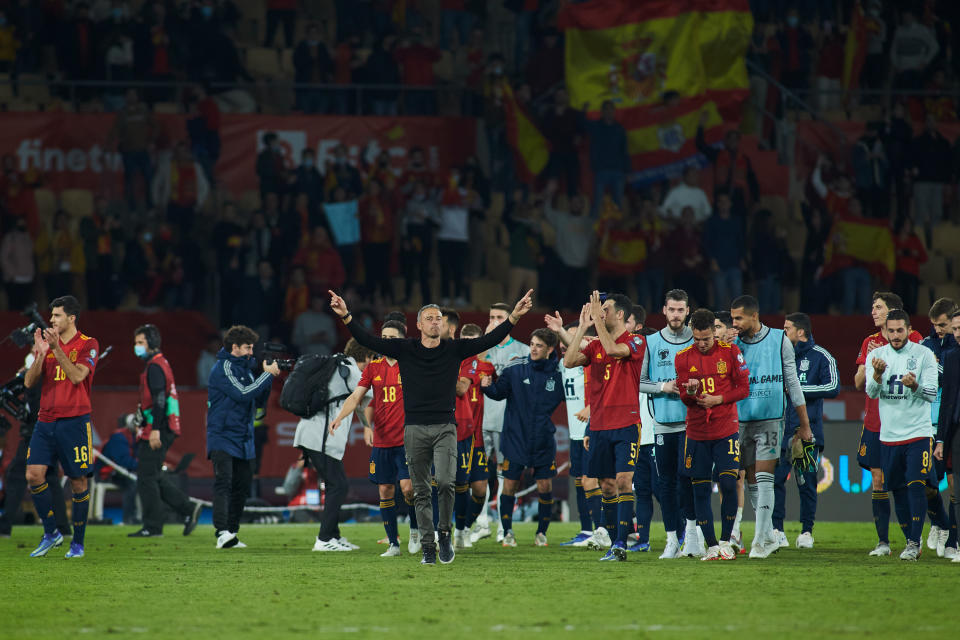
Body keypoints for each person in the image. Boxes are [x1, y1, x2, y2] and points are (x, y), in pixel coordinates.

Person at [329, 289, 534, 565]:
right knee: (421, 489)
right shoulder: (406, 349)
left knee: (447, 483)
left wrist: (515, 317)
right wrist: (346, 316)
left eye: (438, 318)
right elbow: (368, 339)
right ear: (419, 324)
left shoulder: (454, 349)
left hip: (445, 427)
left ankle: (444, 533)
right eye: (430, 318)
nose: (435, 322)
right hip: (413, 429)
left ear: (443, 325)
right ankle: (428, 546)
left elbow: (490, 338)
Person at [564, 292, 645, 561]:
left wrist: (596, 323)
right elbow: (568, 360)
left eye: (605, 310)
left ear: (619, 314)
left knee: (623, 481)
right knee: (607, 485)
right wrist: (583, 326)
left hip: (626, 423)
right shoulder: (594, 344)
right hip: (599, 426)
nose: (601, 313)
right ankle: (613, 542)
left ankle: (621, 542)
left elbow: (613, 350)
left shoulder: (635, 341)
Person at [730, 295, 811, 559]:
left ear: (754, 316)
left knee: (765, 478)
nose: (734, 324)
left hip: (770, 419)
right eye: (732, 319)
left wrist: (804, 424)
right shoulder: (732, 344)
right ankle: (766, 535)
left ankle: (759, 542)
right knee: (750, 479)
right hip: (739, 420)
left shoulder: (779, 340)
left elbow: (792, 383)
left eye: (738, 318)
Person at [24, 295, 99, 558]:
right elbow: (29, 383)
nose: (52, 320)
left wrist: (55, 350)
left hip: (75, 421)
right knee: (33, 475)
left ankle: (77, 543)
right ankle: (51, 533)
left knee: (78, 482)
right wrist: (40, 355)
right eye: (52, 315)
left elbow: (78, 376)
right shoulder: (47, 344)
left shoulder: (88, 344)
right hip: (45, 420)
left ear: (71, 318)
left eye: (57, 316)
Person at [330, 322, 414, 556]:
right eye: (384, 336)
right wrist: (339, 417)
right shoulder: (373, 368)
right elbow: (357, 397)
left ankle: (416, 529)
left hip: (408, 439)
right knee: (385, 490)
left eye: (392, 337)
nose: (386, 341)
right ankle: (393, 544)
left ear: (402, 340)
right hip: (383, 441)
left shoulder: (411, 364)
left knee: (409, 489)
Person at [675, 308, 750, 561]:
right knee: (700, 489)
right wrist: (692, 393)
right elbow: (685, 399)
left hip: (725, 429)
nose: (701, 344)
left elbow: (743, 389)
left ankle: (727, 540)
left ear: (714, 333)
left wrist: (719, 399)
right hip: (696, 432)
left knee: (729, 483)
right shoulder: (683, 358)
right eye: (696, 339)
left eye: (706, 338)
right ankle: (711, 546)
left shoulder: (730, 352)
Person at [866, 310, 939, 560]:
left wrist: (915, 386)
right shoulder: (876, 356)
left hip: (918, 432)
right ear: (885, 331)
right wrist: (876, 375)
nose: (895, 335)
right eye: (891, 331)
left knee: (916, 484)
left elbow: (931, 393)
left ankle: (913, 544)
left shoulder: (924, 355)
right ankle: (911, 538)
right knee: (897, 489)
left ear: (908, 329)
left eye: (900, 330)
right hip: (889, 435)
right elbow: (871, 392)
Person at [482, 328, 565, 547]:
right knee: (509, 485)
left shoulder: (559, 373)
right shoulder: (516, 368)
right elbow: (498, 393)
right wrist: (487, 387)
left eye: (539, 345)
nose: (534, 349)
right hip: (515, 438)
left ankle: (541, 534)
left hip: (543, 441)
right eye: (532, 344)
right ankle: (507, 532)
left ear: (550, 349)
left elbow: (576, 394)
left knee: (545, 486)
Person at [854, 291, 923, 556]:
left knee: (910, 482)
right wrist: (871, 366)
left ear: (893, 312)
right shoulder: (869, 342)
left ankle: (915, 539)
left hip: (906, 423)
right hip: (875, 422)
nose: (873, 312)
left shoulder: (914, 339)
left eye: (878, 307)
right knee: (878, 479)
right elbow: (860, 384)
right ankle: (883, 542)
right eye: (872, 307)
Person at [293, 338, 374, 552]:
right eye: (371, 358)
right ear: (366, 356)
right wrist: (368, 425)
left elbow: (357, 403)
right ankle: (323, 539)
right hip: (320, 436)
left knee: (335, 485)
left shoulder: (339, 365)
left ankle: (333, 536)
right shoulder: (351, 370)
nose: (372, 362)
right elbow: (368, 398)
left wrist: (366, 426)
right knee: (338, 485)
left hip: (312, 433)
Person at [206, 325, 280, 549]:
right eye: (248, 347)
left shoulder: (245, 369)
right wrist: (267, 375)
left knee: (242, 486)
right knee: (224, 483)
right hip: (222, 435)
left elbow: (255, 400)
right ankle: (221, 532)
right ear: (234, 347)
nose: (251, 352)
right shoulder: (224, 367)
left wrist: (267, 381)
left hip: (243, 437)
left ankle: (232, 532)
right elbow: (243, 393)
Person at [637, 290, 697, 558]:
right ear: (664, 310)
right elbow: (638, 381)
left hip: (691, 423)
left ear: (687, 312)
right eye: (671, 310)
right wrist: (664, 386)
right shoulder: (650, 342)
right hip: (662, 424)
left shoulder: (697, 340)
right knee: (666, 484)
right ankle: (672, 540)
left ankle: (693, 538)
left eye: (680, 310)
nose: (675, 315)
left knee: (688, 480)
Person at [127, 324, 201, 538]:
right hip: (162, 426)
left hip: (158, 428)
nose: (136, 347)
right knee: (153, 475)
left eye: (140, 342)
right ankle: (188, 510)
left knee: (146, 478)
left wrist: (156, 430)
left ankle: (153, 526)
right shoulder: (161, 364)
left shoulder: (155, 367)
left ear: (151, 343)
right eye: (136, 343)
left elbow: (159, 399)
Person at [774, 313, 839, 549]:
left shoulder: (822, 357)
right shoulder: (779, 355)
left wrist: (796, 389)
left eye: (787, 328)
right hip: (781, 430)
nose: (783, 333)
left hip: (807, 431)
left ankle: (806, 532)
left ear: (801, 332)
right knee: (776, 481)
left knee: (806, 482)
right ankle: (777, 530)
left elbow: (833, 387)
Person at [0, 355, 69, 538]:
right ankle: (63, 527)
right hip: (53, 431)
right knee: (51, 478)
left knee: (17, 476)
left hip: (35, 434)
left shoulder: (35, 378)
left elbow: (8, 393)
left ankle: (5, 526)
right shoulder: (54, 377)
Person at [544, 318, 599, 547]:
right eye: (565, 339)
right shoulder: (561, 365)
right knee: (578, 480)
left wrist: (592, 407)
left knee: (594, 481)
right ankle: (587, 531)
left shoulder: (593, 363)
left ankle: (608, 528)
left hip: (594, 430)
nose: (569, 343)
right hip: (575, 433)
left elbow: (610, 389)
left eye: (578, 336)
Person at [481, 302, 531, 541]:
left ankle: (503, 526)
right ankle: (481, 522)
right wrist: (484, 341)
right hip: (480, 419)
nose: (494, 320)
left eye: (499, 316)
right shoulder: (482, 349)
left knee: (505, 474)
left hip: (507, 422)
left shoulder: (522, 351)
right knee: (478, 473)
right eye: (491, 316)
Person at [921, 298, 957, 556]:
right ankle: (939, 524)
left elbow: (948, 378)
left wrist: (936, 366)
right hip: (926, 423)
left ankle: (952, 537)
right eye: (934, 325)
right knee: (925, 480)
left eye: (942, 324)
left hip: (949, 423)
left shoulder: (956, 346)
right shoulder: (925, 344)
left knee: (953, 484)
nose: (938, 330)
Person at [454, 324, 496, 546]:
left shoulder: (487, 368)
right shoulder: (451, 362)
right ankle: (451, 530)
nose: (468, 343)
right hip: (456, 434)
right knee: (453, 486)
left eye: (473, 339)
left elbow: (500, 391)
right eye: (465, 338)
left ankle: (465, 528)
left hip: (476, 436)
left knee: (480, 488)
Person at [934, 309, 960, 561]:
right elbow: (947, 402)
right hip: (955, 430)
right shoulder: (950, 357)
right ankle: (956, 543)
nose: (957, 334)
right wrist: (941, 438)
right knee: (956, 488)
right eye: (955, 329)